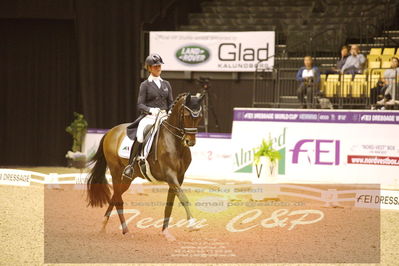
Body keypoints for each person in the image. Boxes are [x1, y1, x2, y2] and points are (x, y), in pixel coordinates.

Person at [123, 53, 174, 179]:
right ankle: (131, 165)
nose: (158, 68)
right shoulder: (145, 85)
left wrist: (171, 111)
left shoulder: (166, 84)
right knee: (140, 134)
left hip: (164, 117)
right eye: (155, 66)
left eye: (159, 66)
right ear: (149, 68)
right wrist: (151, 110)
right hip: (150, 117)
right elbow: (140, 105)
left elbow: (171, 103)